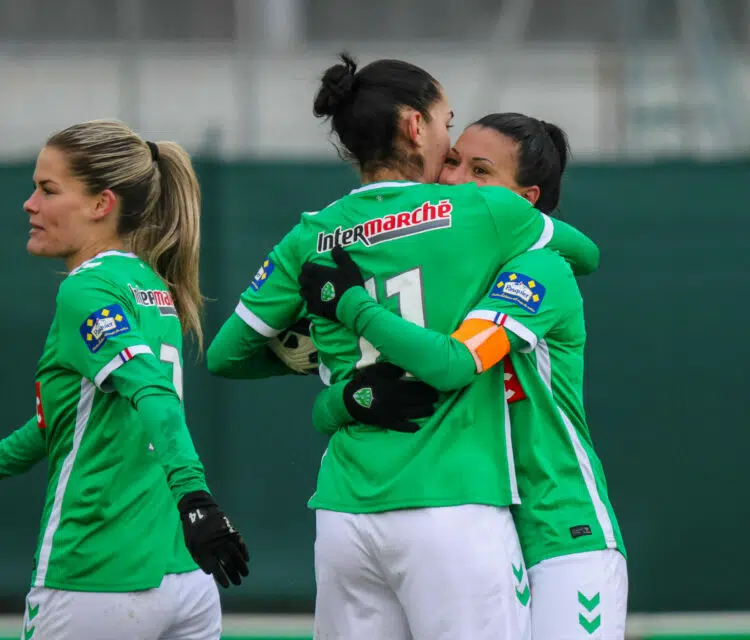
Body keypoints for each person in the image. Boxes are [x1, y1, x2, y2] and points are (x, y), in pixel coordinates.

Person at [205, 53, 600, 639]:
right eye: (447, 121)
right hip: (453, 505)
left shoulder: (310, 235)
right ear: (416, 126)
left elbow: (225, 356)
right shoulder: (485, 209)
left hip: (344, 508)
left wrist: (325, 372)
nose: (450, 143)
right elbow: (583, 253)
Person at [304, 113, 627, 639]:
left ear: (524, 199)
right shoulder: (439, 281)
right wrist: (346, 402)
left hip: (559, 533)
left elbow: (452, 364)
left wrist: (351, 304)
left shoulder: (537, 271)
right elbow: (330, 400)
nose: (454, 180)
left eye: (480, 171)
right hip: (474, 527)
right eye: (452, 160)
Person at [0, 120, 249, 640]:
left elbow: (153, 394)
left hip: (97, 573)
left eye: (48, 190)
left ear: (100, 204)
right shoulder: (155, 286)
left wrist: (196, 498)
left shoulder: (86, 291)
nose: (31, 204)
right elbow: (59, 427)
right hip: (183, 577)